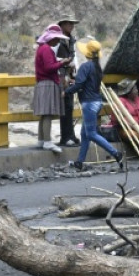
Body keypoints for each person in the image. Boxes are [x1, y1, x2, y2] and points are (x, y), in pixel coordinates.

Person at [64, 39, 122, 171]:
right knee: (84, 133)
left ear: (87, 53)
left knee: (91, 134)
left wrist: (66, 92)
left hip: (89, 104)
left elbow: (79, 85)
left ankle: (115, 153)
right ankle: (80, 161)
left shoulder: (85, 67)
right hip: (97, 102)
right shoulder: (97, 68)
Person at [33, 24, 73, 154]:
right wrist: (62, 62)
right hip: (47, 83)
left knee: (44, 114)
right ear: (51, 38)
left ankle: (41, 140)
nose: (57, 41)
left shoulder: (42, 48)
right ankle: (47, 142)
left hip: (42, 83)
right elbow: (49, 67)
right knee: (48, 113)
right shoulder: (46, 49)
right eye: (56, 38)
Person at [56, 16, 80, 147]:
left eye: (72, 24)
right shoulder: (57, 40)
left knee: (70, 106)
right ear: (63, 25)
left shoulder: (71, 40)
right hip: (61, 75)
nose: (72, 26)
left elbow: (73, 56)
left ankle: (71, 135)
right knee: (64, 107)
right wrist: (65, 63)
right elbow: (54, 58)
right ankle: (65, 137)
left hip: (70, 75)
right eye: (69, 24)